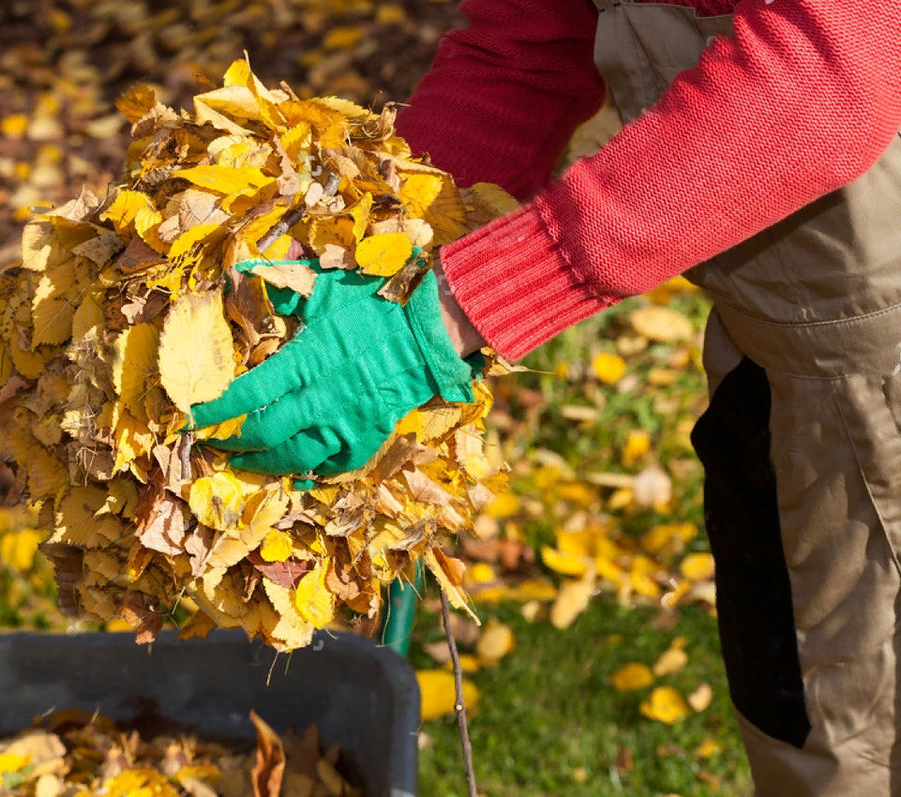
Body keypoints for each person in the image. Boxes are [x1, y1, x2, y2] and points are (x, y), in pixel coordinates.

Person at [192, 1, 901, 793]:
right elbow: (526, 42)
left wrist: (453, 311)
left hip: (878, 377)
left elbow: (833, 64)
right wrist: (373, 241)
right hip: (784, 346)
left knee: (856, 748)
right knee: (793, 713)